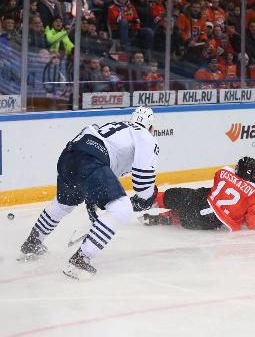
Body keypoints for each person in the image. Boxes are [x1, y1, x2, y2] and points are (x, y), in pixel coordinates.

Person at [18, 107, 159, 279]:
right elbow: (143, 181)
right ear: (151, 128)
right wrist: (146, 199)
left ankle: (33, 242)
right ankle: (80, 259)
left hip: (70, 155)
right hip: (90, 161)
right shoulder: (144, 135)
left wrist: (93, 198)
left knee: (63, 205)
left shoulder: (119, 127)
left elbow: (104, 169)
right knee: (122, 209)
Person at [143, 157, 255, 231]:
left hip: (197, 207)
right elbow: (254, 224)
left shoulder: (223, 172)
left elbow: (229, 185)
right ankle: (170, 217)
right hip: (206, 223)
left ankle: (147, 200)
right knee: (201, 198)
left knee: (183, 195)